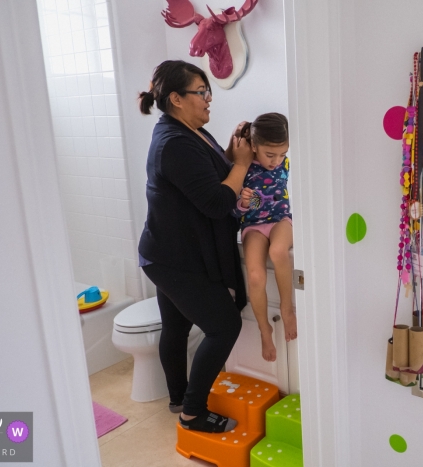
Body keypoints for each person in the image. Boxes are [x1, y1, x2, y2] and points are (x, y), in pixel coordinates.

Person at [137, 60, 254, 433]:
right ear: (176, 98)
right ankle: (191, 413)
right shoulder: (174, 143)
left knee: (175, 326)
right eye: (201, 93)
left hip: (167, 249)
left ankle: (176, 397)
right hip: (174, 257)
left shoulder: (190, 132)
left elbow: (212, 178)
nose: (208, 100)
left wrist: (234, 159)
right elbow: (216, 202)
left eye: (208, 92)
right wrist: (243, 163)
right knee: (223, 326)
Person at [231, 113, 295, 362]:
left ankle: (287, 309)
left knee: (278, 252)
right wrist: (244, 203)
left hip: (281, 221)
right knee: (255, 275)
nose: (276, 160)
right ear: (255, 146)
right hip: (253, 226)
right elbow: (234, 211)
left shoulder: (284, 163)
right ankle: (264, 328)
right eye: (270, 155)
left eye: (282, 154)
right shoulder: (243, 168)